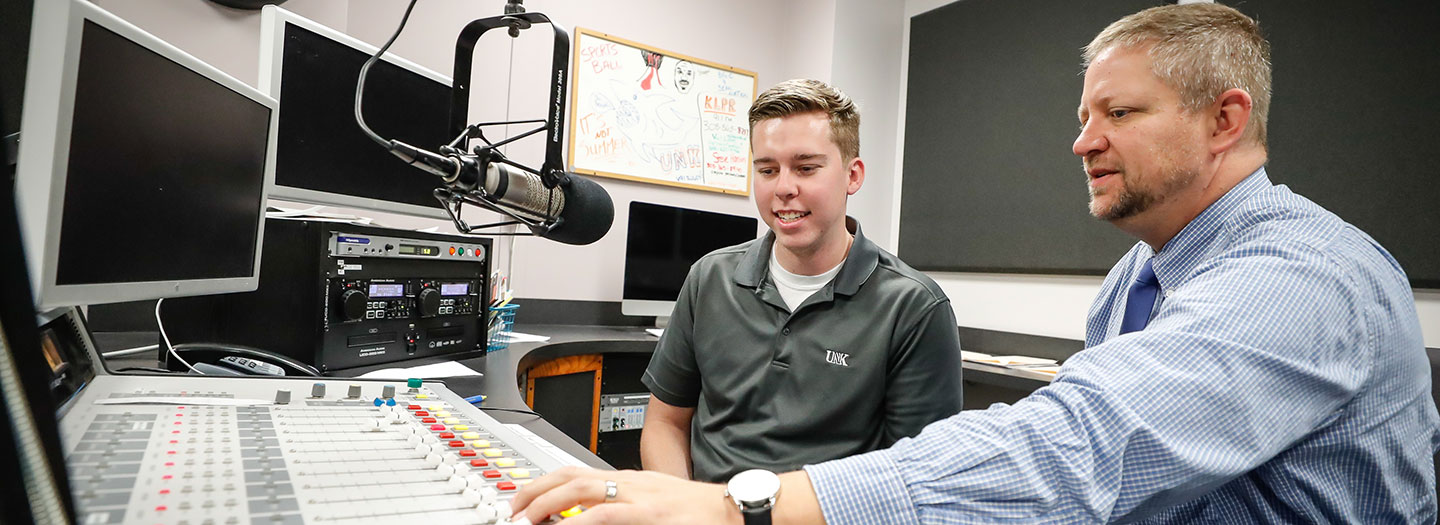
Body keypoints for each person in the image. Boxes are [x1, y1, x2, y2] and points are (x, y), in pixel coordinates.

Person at [508, 4, 1440, 523]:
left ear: (1225, 120)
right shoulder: (1137, 279)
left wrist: (733, 509)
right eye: (1082, 116)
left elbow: (1077, 448)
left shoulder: (1304, 275)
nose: (1083, 142)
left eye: (1118, 114)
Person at [639, 78, 965, 483]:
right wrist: (684, 509)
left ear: (853, 175)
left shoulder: (914, 307)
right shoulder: (710, 277)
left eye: (806, 168)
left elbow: (919, 475)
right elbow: (665, 423)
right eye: (767, 169)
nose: (784, 188)